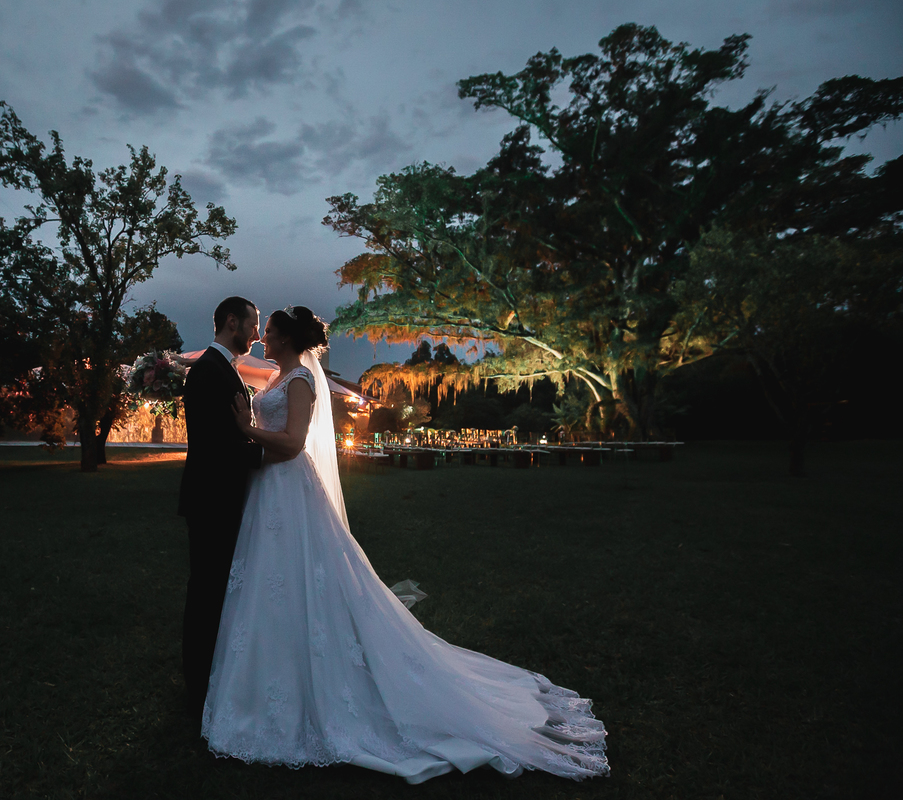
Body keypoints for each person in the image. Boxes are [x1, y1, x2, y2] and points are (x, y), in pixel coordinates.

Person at [201, 305, 610, 784]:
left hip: (289, 490)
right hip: (268, 495)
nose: (262, 337)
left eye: (267, 331)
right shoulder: (277, 377)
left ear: (287, 338)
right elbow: (246, 381)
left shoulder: (301, 383)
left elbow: (291, 444)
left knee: (305, 580)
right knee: (272, 589)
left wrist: (244, 427)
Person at [178, 296, 268, 715]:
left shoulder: (223, 369)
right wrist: (268, 455)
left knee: (216, 591)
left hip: (221, 499)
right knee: (207, 592)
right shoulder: (208, 372)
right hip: (213, 500)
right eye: (252, 324)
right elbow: (217, 447)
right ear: (231, 321)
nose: (257, 334)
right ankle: (198, 685)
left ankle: (210, 675)